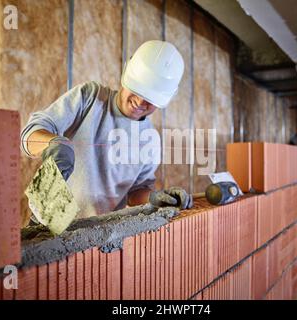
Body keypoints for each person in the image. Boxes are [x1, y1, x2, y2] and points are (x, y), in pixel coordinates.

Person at [21, 40, 193, 219]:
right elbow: (30, 134)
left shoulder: (151, 140)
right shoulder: (91, 98)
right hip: (49, 221)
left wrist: (154, 198)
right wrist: (54, 144)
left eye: (151, 98)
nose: (140, 102)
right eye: (138, 89)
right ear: (127, 73)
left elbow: (134, 193)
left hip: (100, 234)